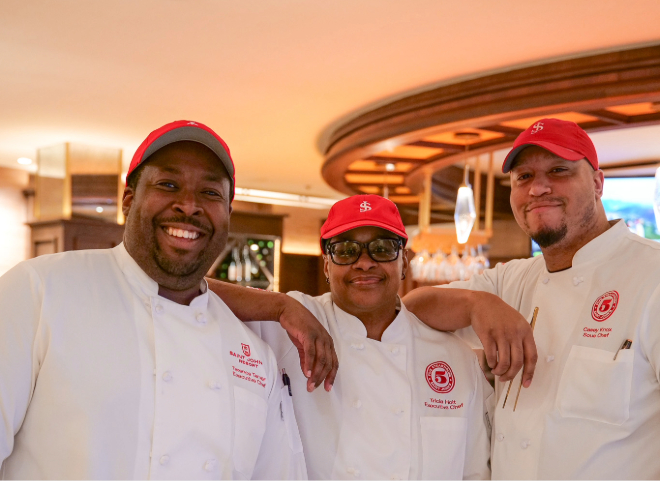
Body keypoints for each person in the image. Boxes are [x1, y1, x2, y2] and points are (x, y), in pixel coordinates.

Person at [0, 120, 335, 479]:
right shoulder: (40, 292)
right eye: (168, 184)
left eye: (210, 193)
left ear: (227, 216)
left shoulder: (252, 354)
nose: (189, 205)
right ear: (129, 200)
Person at [404, 118, 660, 479]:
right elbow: (413, 309)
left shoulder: (652, 276)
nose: (539, 188)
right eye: (524, 177)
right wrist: (475, 304)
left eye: (559, 171)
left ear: (598, 183)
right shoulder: (511, 281)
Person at [209, 195, 494, 480]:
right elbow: (186, 290)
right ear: (326, 266)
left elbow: (474, 471)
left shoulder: (455, 358)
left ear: (404, 262)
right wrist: (280, 306)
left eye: (382, 249)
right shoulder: (291, 326)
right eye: (346, 251)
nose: (365, 262)